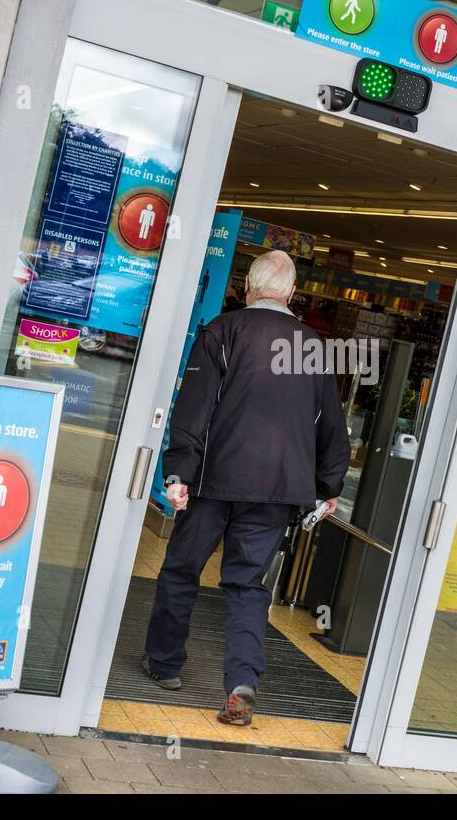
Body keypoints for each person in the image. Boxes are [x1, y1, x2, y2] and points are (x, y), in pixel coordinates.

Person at [140, 249, 351, 726]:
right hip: (278, 491)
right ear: (292, 294)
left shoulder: (221, 332)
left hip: (215, 482)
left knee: (181, 572)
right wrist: (327, 485)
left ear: (248, 288)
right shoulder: (314, 347)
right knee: (247, 585)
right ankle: (241, 684)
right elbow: (332, 429)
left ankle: (166, 664)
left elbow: (192, 411)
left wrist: (178, 475)